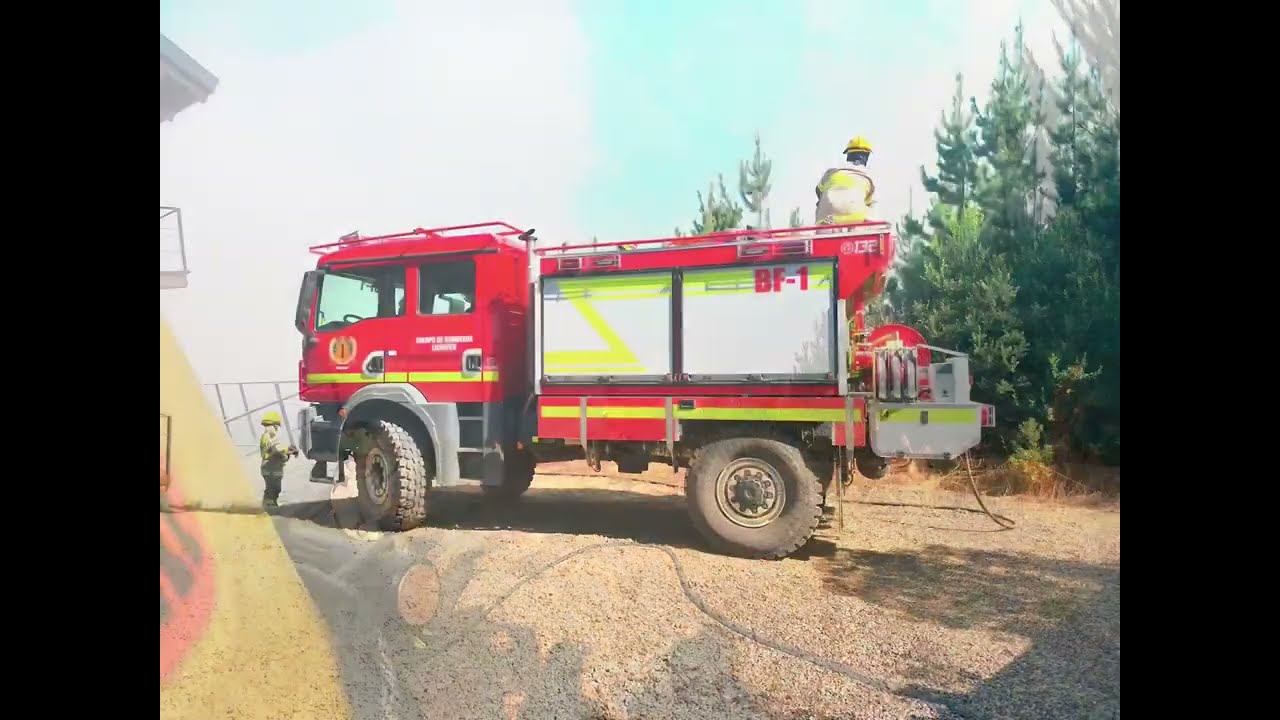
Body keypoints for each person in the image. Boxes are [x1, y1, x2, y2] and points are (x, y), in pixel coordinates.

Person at [815, 136, 876, 225]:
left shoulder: (831, 172)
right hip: (855, 219)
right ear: (866, 157)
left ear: (848, 155)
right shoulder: (868, 178)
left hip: (828, 219)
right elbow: (868, 203)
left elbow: (818, 190)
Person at [259, 411, 298, 511]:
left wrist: (287, 453)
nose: (276, 429)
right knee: (272, 488)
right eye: (276, 426)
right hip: (270, 467)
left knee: (274, 488)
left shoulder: (267, 436)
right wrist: (288, 451)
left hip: (272, 467)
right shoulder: (269, 436)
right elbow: (275, 449)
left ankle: (269, 505)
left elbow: (276, 449)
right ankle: (269, 507)